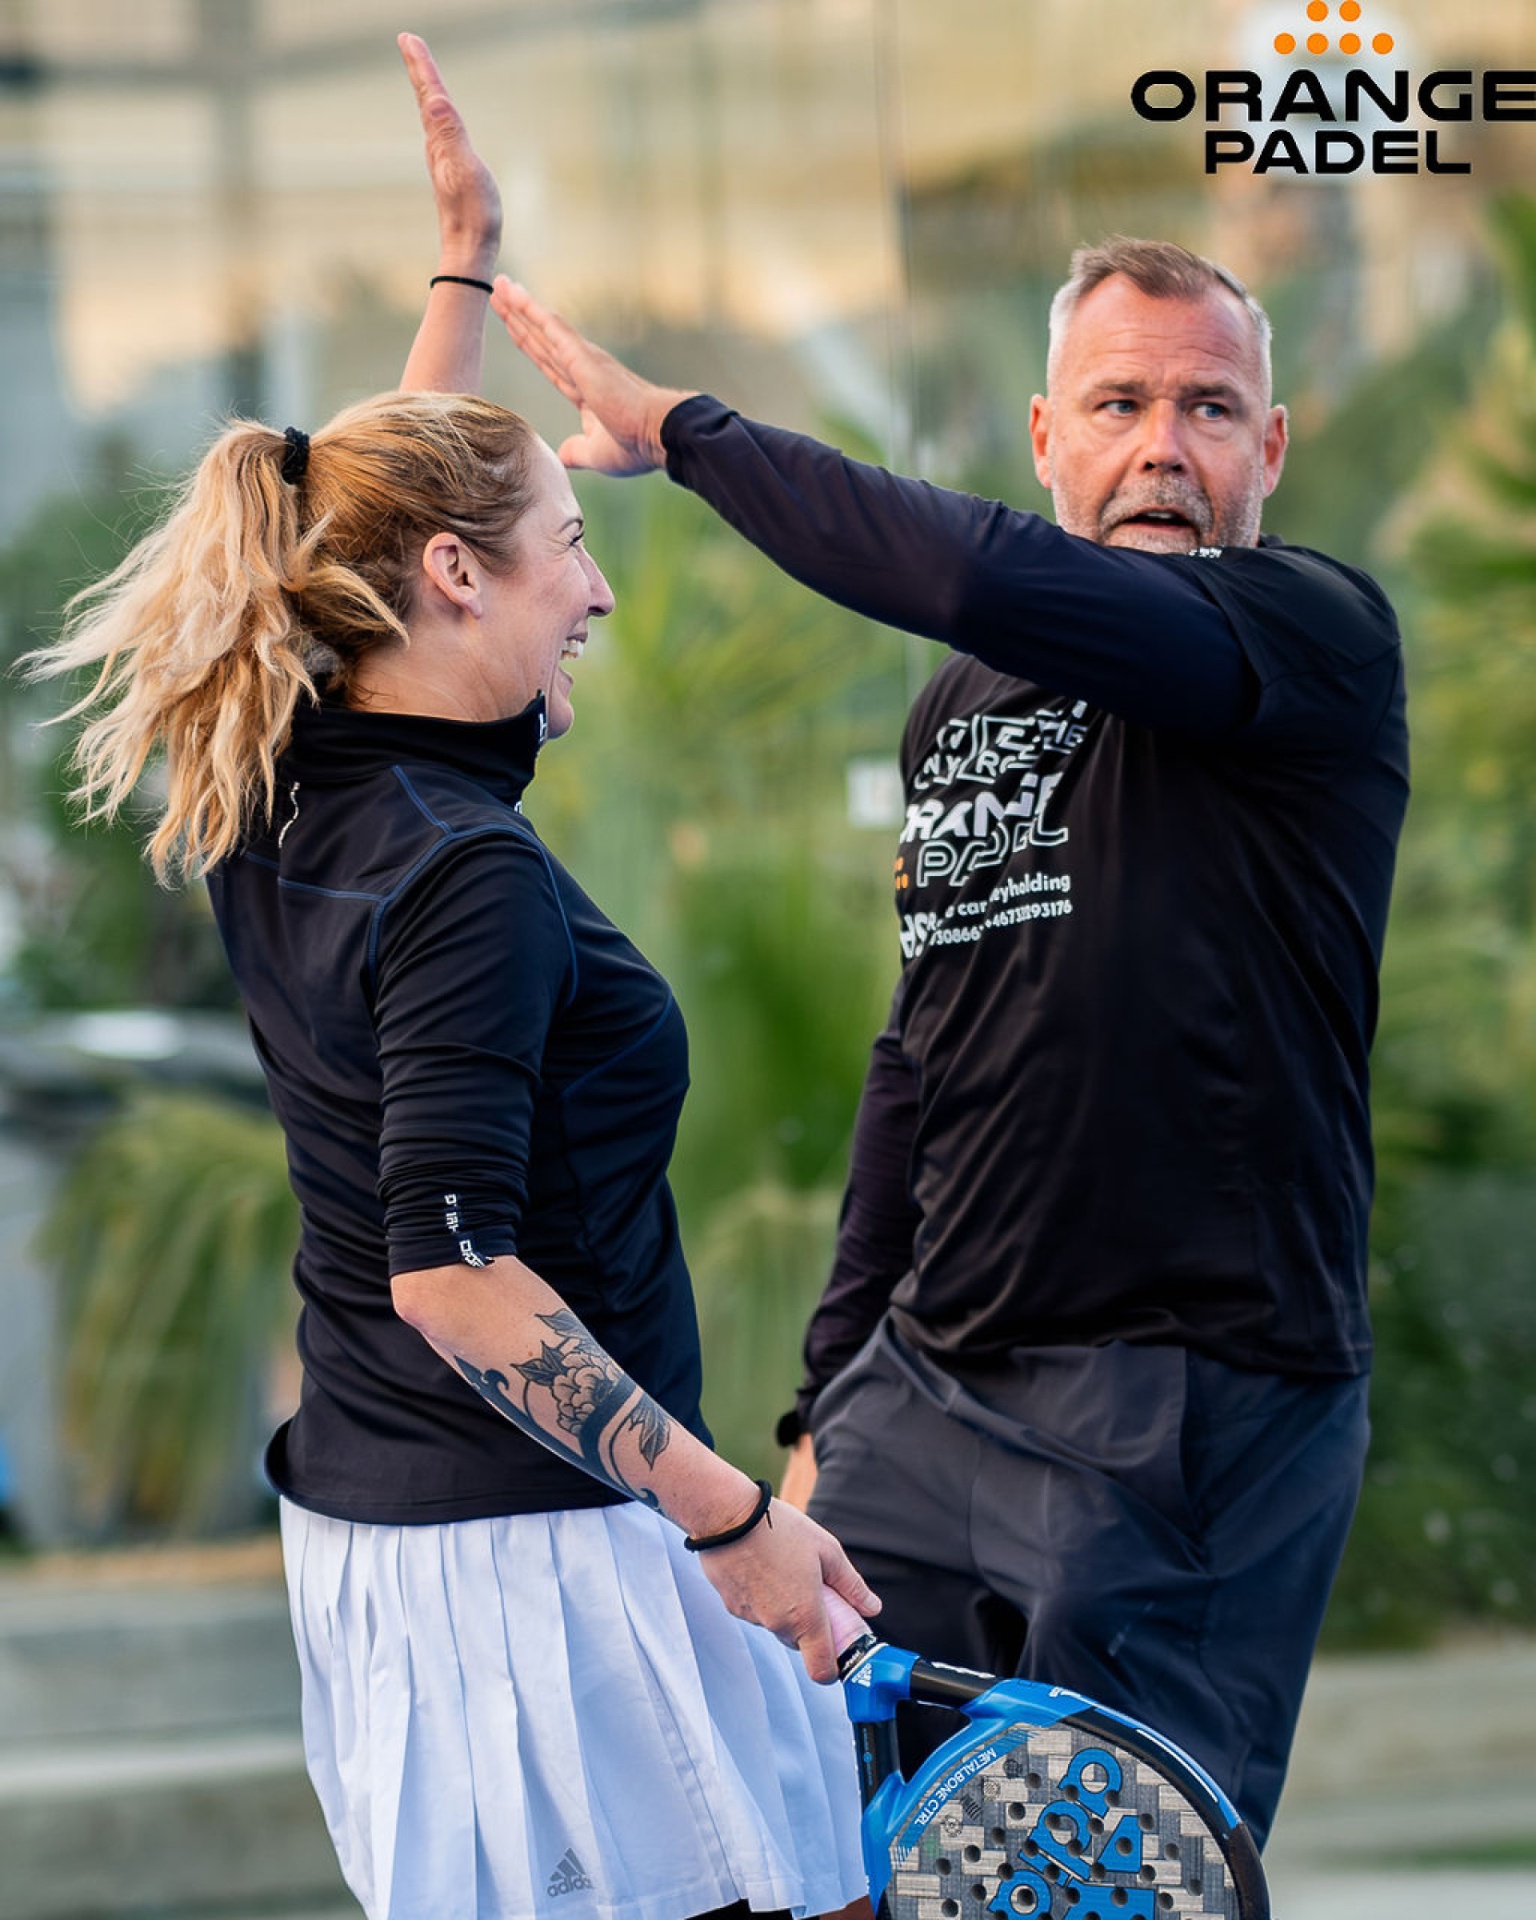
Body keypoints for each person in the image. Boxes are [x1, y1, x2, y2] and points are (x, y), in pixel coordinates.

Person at [24, 36, 876, 1920]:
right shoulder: (465, 869)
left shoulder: (277, 774)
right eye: (571, 548)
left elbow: (359, 532)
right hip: (541, 1569)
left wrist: (464, 274)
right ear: (454, 583)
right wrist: (729, 1516)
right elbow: (453, 1272)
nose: (597, 587)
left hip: (394, 1545)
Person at [488, 233, 1408, 1847]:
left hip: (1185, 1400)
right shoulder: (962, 706)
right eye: (1117, 403)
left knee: (1097, 1878)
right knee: (836, 1845)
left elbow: (980, 566)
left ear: (1269, 449)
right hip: (927, 1392)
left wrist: (692, 435)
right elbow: (925, 1055)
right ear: (1048, 434)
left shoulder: (1310, 639)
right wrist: (831, 1395)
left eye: (1208, 409)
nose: (1161, 448)